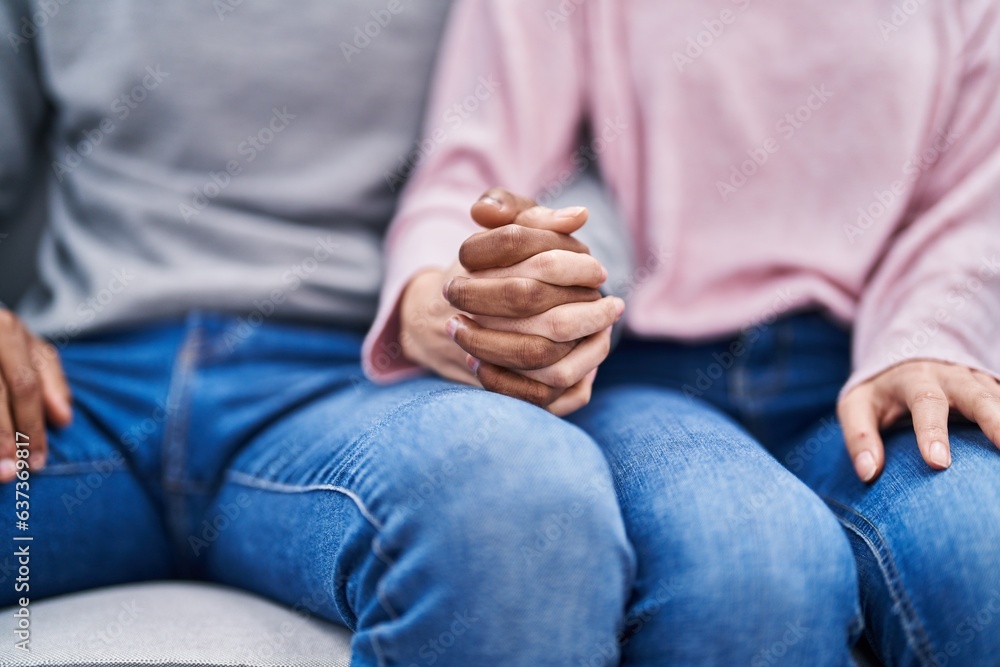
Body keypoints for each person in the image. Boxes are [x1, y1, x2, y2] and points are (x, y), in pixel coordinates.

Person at [0, 3, 634, 664]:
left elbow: (595, 150)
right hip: (70, 390)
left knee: (518, 498)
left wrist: (553, 282)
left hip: (363, 380)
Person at [372, 0, 1000, 664]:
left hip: (875, 373)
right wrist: (457, 297)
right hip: (649, 371)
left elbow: (976, 203)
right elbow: (477, 175)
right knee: (749, 572)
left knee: (980, 547)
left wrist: (933, 335)